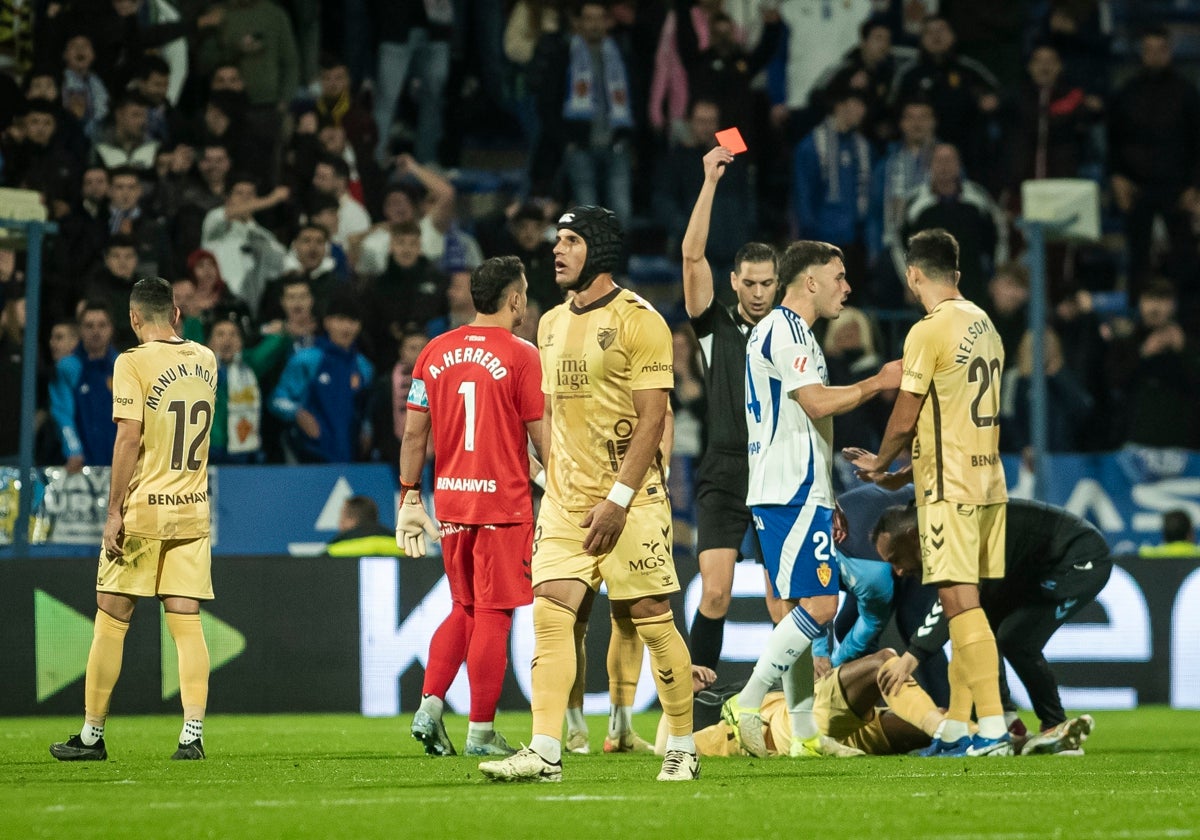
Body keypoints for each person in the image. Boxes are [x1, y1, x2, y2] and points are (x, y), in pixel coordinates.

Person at [478, 205, 699, 783]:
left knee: (653, 619)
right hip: (567, 503)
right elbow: (549, 411)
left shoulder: (639, 319)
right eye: (557, 241)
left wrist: (620, 499)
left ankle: (683, 747)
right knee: (551, 617)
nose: (557, 250)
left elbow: (655, 416)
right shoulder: (549, 322)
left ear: (597, 249)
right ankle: (546, 750)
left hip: (631, 503)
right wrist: (548, 476)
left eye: (570, 240)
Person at [720, 240, 900, 760]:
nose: (847, 287)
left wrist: (830, 494)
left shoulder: (779, 332)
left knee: (797, 610)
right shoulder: (789, 331)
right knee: (822, 606)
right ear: (811, 281)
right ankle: (748, 702)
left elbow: (804, 419)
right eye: (839, 276)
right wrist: (878, 381)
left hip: (795, 487)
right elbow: (816, 401)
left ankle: (802, 734)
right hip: (789, 490)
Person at [845, 227, 1011, 757]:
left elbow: (905, 413)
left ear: (912, 274)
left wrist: (881, 461)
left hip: (951, 487)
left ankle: (992, 728)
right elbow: (951, 413)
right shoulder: (986, 324)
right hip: (988, 480)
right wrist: (902, 476)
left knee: (960, 605)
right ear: (957, 274)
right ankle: (961, 726)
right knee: (967, 604)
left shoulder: (928, 330)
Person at [50, 277, 218, 762]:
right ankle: (192, 734)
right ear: (178, 314)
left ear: (133, 319)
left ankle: (91, 734)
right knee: (186, 620)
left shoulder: (132, 362)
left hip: (145, 510)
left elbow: (128, 439)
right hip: (192, 510)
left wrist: (113, 512)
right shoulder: (206, 359)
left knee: (111, 614)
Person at [397, 255, 545, 759]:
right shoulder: (523, 355)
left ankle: (431, 706)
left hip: (452, 502)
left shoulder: (434, 352)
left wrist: (409, 495)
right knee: (494, 613)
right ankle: (481, 730)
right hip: (503, 504)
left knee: (464, 608)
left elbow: (414, 432)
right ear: (514, 298)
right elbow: (541, 440)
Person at [870, 497, 1109, 754]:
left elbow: (950, 605)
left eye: (896, 558)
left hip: (1078, 561)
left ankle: (1054, 725)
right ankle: (1008, 721)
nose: (898, 571)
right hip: (1036, 568)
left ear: (913, 535)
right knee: (982, 628)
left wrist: (912, 655)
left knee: (1015, 639)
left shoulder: (951, 535)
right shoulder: (944, 527)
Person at [680, 145, 778, 672]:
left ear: (777, 284)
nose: (758, 292)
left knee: (780, 604)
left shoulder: (792, 334)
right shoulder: (717, 328)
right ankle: (698, 712)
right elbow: (692, 259)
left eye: (767, 283)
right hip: (724, 467)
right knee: (715, 594)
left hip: (774, 469)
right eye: (750, 283)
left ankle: (796, 712)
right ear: (734, 282)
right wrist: (710, 182)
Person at [49, 302, 119, 473]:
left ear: (111, 329)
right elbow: (62, 413)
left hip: (118, 465)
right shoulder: (68, 367)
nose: (96, 331)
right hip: (80, 466)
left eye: (102, 325)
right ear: (80, 330)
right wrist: (73, 450)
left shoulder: (123, 365)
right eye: (89, 326)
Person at [325, 495, 400, 557]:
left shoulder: (333, 551)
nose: (339, 523)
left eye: (342, 518)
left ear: (351, 520)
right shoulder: (402, 548)